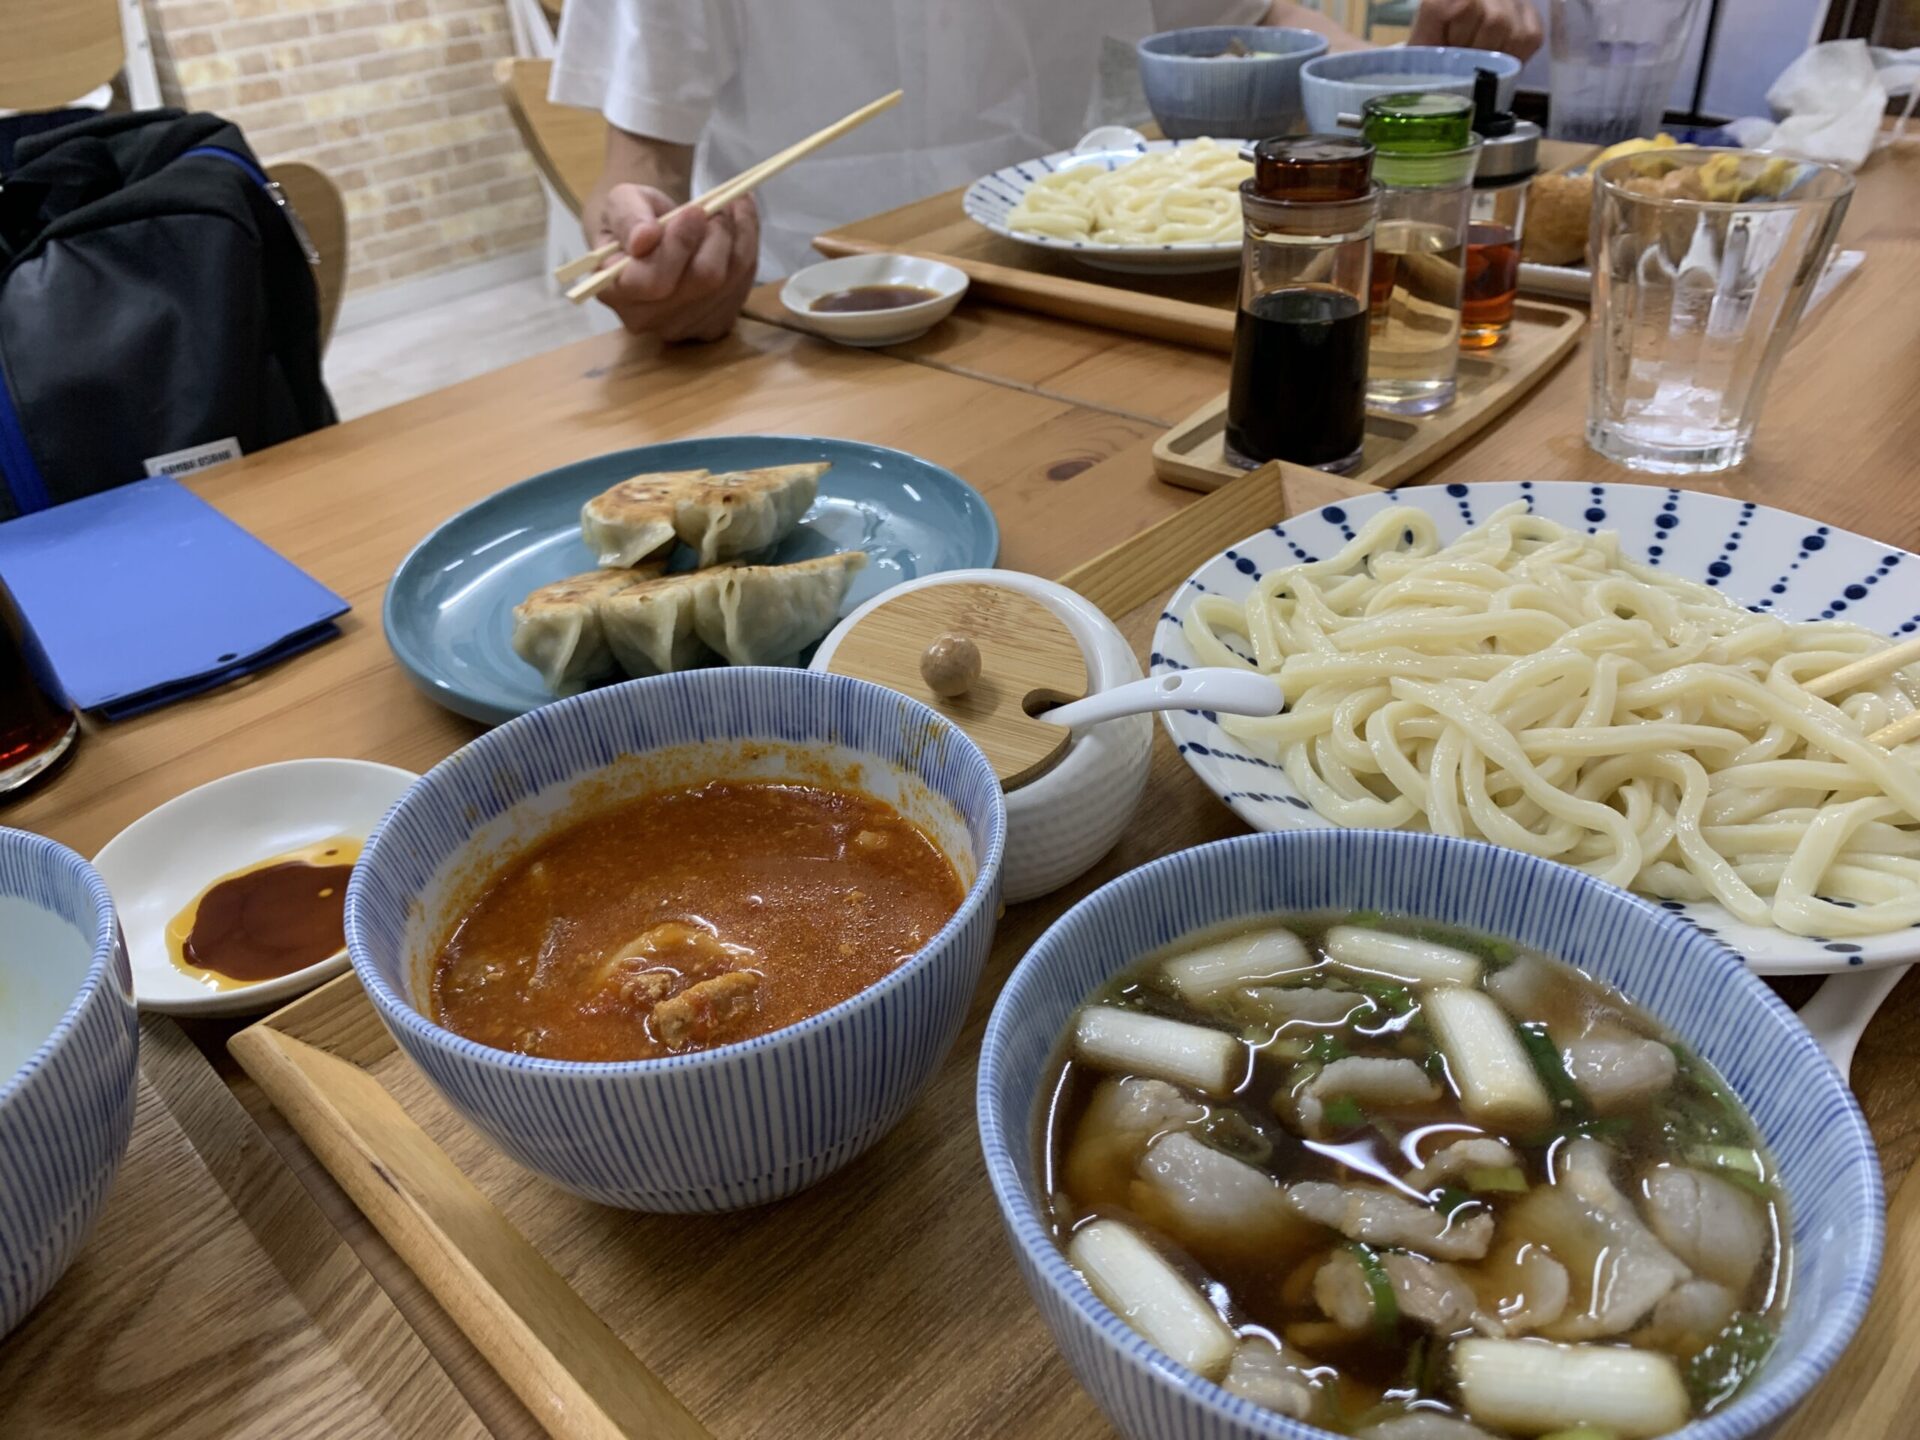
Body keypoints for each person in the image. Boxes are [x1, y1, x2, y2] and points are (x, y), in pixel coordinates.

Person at [552, 0, 1543, 340]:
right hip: (792, 330)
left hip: (1091, 309)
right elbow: (635, 172)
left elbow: (1267, 21)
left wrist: (1415, 67)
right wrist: (658, 259)